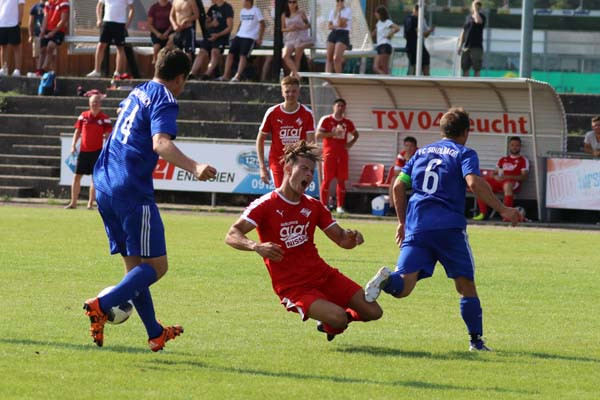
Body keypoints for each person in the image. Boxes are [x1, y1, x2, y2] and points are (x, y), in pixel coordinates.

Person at [84, 48, 217, 351]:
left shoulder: (138, 91)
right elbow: (161, 143)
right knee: (157, 267)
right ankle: (101, 304)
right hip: (130, 188)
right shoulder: (165, 98)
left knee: (136, 270)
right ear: (180, 78)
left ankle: (155, 333)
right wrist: (195, 166)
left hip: (104, 182)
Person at [364, 107, 523, 351]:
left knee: (403, 286)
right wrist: (503, 209)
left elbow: (397, 186)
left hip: (417, 225)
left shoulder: (420, 153)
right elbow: (473, 182)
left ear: (442, 130)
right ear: (466, 131)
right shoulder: (464, 153)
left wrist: (402, 222)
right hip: (448, 228)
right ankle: (476, 341)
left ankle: (386, 280)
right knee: (465, 285)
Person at [225, 140, 383, 342]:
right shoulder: (265, 205)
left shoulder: (314, 206)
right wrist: (255, 246)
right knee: (338, 318)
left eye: (312, 171)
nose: (309, 175)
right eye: (304, 169)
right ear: (288, 168)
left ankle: (334, 318)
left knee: (373, 312)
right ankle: (333, 319)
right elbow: (231, 234)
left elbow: (342, 240)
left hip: (323, 275)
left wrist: (353, 238)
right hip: (294, 287)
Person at [256, 75, 315, 188]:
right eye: (287, 91)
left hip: (299, 163)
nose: (290, 94)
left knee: (296, 195)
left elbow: (311, 142)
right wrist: (262, 167)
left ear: (298, 92)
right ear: (282, 92)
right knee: (282, 193)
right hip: (278, 162)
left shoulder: (307, 113)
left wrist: (309, 167)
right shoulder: (272, 112)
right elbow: (260, 139)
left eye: (294, 91)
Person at [65, 94, 112, 210]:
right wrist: (73, 145)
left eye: (96, 102)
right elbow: (77, 131)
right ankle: (73, 202)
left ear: (100, 104)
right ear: (89, 104)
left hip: (97, 152)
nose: (94, 104)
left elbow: (108, 136)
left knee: (94, 179)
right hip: (84, 151)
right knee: (76, 177)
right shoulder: (83, 116)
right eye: (92, 102)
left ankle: (90, 203)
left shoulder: (105, 118)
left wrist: (107, 149)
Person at [317, 98, 359, 214]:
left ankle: (340, 207)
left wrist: (350, 143)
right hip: (329, 154)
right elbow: (318, 134)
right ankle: (323, 205)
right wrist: (333, 133)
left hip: (342, 154)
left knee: (341, 181)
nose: (340, 108)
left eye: (342, 106)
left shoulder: (347, 122)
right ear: (334, 107)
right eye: (338, 105)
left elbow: (356, 134)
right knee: (327, 179)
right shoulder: (326, 119)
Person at [473, 136, 529, 221]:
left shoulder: (523, 160)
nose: (514, 147)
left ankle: (507, 215)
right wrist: (495, 176)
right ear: (509, 146)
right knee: (481, 185)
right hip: (500, 181)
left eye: (517, 145)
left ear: (520, 147)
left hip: (512, 182)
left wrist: (507, 177)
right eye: (512, 145)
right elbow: (494, 172)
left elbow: (524, 176)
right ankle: (483, 213)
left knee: (507, 185)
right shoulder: (503, 159)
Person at [217, 0, 264, 82]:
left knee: (243, 55)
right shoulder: (242, 11)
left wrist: (260, 38)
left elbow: (262, 24)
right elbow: (241, 23)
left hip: (250, 37)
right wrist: (236, 34)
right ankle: (226, 75)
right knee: (230, 54)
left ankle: (237, 76)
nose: (243, 3)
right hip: (240, 35)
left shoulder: (256, 10)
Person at [86, 0, 134, 78]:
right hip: (107, 22)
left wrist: (128, 22)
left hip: (120, 24)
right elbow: (99, 5)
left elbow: (132, 9)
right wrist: (99, 19)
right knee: (101, 45)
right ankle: (97, 71)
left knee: (120, 47)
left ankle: (117, 72)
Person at [189, 0, 233, 80]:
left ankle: (206, 75)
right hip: (210, 35)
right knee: (202, 52)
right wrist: (211, 24)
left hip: (220, 37)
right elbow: (206, 25)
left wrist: (218, 35)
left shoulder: (227, 8)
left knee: (214, 52)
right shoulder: (212, 8)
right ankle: (192, 73)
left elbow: (229, 27)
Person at [281, 0, 312, 79]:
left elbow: (308, 25)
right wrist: (290, 29)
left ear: (296, 3)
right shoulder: (284, 15)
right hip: (290, 38)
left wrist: (299, 27)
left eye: (294, 2)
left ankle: (294, 78)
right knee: (285, 56)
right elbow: (282, 29)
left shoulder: (301, 12)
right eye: (290, 2)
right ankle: (296, 75)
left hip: (301, 37)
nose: (292, 4)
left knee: (297, 58)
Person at [38, 0, 69, 74]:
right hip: (47, 29)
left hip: (59, 30)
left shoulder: (64, 2)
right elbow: (45, 16)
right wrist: (42, 30)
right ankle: (39, 70)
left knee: (50, 46)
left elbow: (63, 19)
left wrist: (53, 32)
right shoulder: (48, 2)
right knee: (42, 49)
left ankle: (43, 69)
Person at [403, 4, 434, 76]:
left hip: (410, 46)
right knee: (420, 65)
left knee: (413, 67)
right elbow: (420, 34)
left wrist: (428, 31)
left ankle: (416, 80)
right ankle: (426, 79)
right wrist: (430, 30)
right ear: (418, 11)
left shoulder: (406, 18)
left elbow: (406, 35)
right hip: (417, 47)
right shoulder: (415, 19)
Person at [388, 136, 418, 211]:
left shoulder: (419, 154)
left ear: (415, 147)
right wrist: (407, 161)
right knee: (394, 180)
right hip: (407, 179)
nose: (409, 148)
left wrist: (408, 163)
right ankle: (392, 207)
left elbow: (419, 170)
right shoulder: (401, 155)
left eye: (411, 146)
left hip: (417, 179)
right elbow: (396, 172)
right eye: (406, 146)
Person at [458, 0, 485, 77]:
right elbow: (463, 31)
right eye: (476, 4)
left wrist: (475, 10)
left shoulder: (482, 16)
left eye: (479, 4)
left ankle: (476, 87)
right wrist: (460, 46)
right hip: (466, 47)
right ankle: (466, 87)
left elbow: (478, 21)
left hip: (476, 47)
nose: (478, 5)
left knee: (476, 69)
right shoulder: (468, 17)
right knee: (465, 68)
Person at [325, 0, 352, 73]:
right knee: (329, 58)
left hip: (343, 34)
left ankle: (339, 79)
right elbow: (329, 26)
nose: (339, 2)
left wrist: (339, 12)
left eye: (341, 0)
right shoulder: (332, 11)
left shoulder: (348, 10)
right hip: (333, 33)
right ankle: (328, 79)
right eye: (337, 1)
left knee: (336, 58)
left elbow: (340, 23)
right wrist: (337, 26)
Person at [372, 5, 399, 75]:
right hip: (380, 46)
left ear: (380, 13)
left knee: (383, 68)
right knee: (377, 67)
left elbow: (397, 28)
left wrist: (389, 34)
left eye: (376, 13)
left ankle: (389, 81)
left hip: (385, 45)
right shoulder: (378, 23)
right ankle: (387, 81)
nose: (375, 14)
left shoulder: (387, 22)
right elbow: (373, 33)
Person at [0, 0, 24, 77]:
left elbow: (21, 6)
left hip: (14, 23)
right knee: (3, 47)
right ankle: (4, 69)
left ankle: (17, 70)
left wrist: (19, 21)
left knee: (16, 47)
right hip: (2, 23)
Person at [147, 0, 173, 65]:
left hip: (168, 32)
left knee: (168, 47)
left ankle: (166, 64)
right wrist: (157, 33)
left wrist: (167, 32)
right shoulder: (154, 7)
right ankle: (156, 64)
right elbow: (149, 24)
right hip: (156, 31)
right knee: (157, 47)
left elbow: (173, 22)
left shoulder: (171, 6)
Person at [27, 0, 44, 77]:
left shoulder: (51, 6)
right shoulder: (35, 7)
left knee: (49, 54)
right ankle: (39, 71)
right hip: (37, 34)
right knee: (37, 55)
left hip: (49, 35)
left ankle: (50, 73)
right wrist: (30, 35)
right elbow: (30, 23)